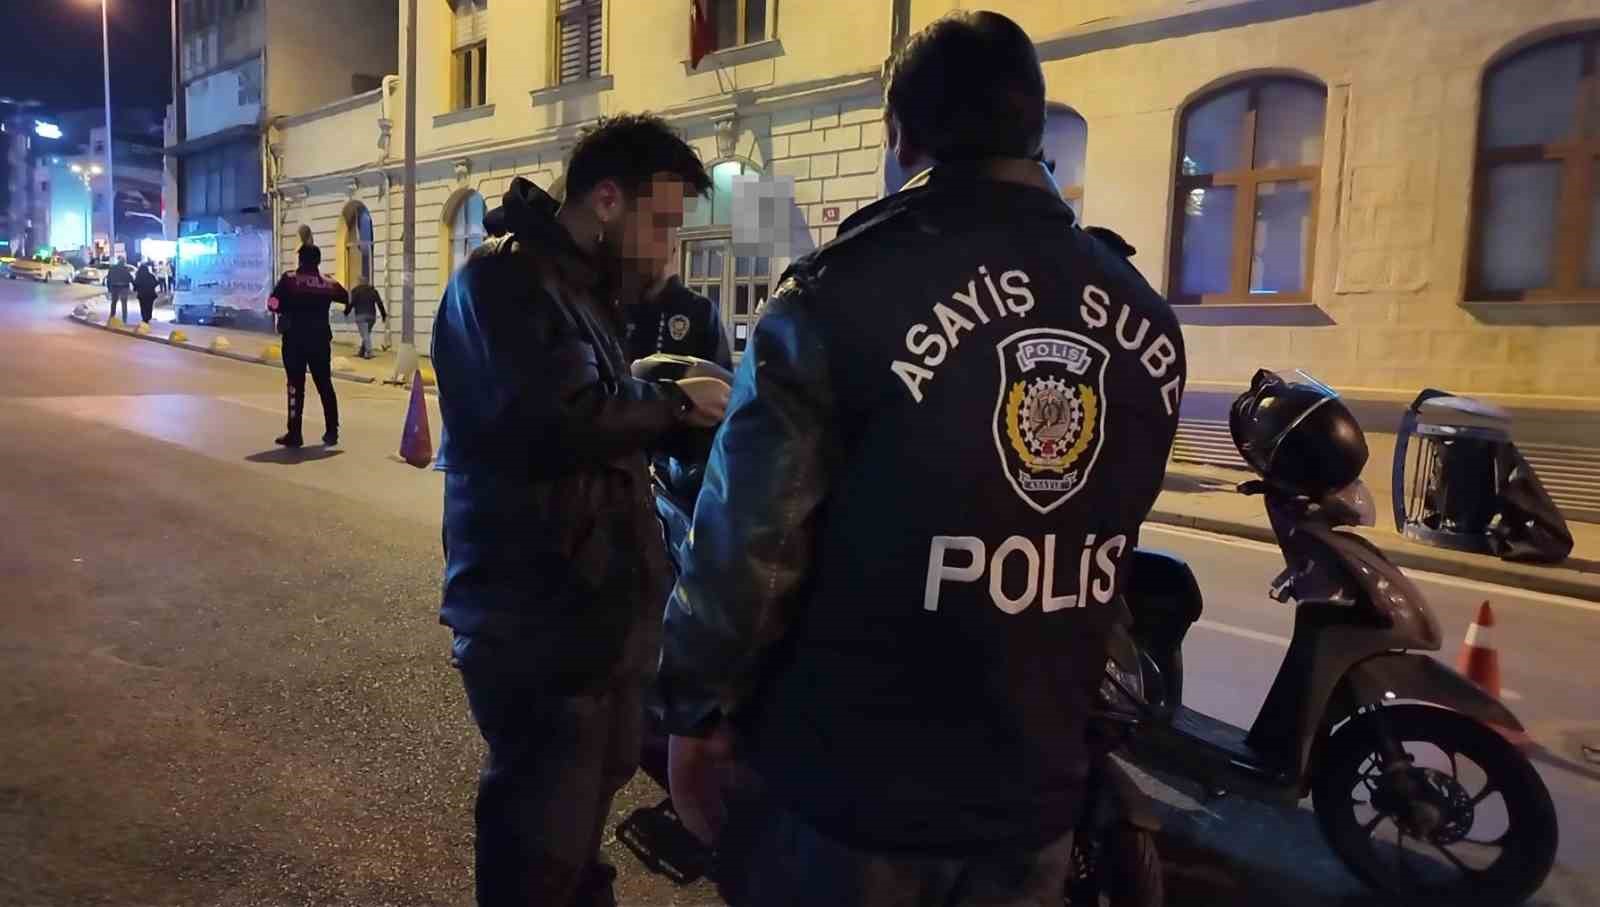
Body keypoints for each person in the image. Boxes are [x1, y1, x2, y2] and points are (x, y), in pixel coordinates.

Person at [654, 11, 1188, 906]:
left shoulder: (836, 295)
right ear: (1034, 126)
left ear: (902, 135)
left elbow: (750, 544)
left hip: (854, 799)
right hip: (1035, 791)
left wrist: (696, 710)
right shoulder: (1143, 317)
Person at [430, 114, 728, 907]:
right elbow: (561, 414)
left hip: (593, 618)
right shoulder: (504, 278)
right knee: (538, 844)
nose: (667, 246)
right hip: (538, 624)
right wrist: (671, 401)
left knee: (572, 839)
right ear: (605, 199)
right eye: (660, 222)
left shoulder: (580, 291)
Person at [267, 245, 347, 448]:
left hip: (294, 341)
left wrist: (283, 309)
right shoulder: (328, 282)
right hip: (320, 340)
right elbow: (347, 298)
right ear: (318, 261)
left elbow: (272, 303)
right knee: (325, 385)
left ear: (301, 259)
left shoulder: (290, 279)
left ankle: (295, 434)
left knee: (295, 387)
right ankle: (332, 432)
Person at [344, 282, 388, 359]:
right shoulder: (373, 291)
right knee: (366, 334)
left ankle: (368, 352)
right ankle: (361, 352)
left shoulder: (356, 290)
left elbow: (351, 303)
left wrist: (346, 312)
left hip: (360, 316)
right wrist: (383, 315)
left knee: (365, 334)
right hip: (371, 316)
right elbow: (379, 303)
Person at [105, 257, 134, 322]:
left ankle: (112, 317)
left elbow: (108, 278)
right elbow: (130, 278)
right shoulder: (125, 269)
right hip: (124, 287)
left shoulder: (112, 268)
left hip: (115, 287)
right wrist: (134, 285)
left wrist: (109, 288)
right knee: (124, 303)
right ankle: (124, 319)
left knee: (114, 302)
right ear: (124, 262)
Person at [132, 260, 160, 324]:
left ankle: (144, 318)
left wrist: (135, 289)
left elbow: (136, 284)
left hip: (142, 294)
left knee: (143, 307)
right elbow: (155, 283)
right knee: (149, 306)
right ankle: (148, 316)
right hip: (150, 294)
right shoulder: (151, 276)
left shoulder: (138, 276)